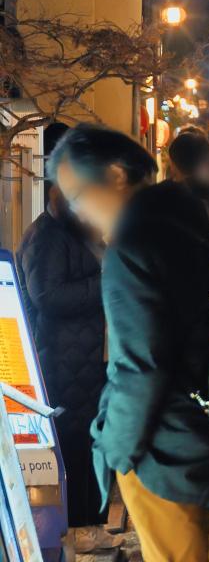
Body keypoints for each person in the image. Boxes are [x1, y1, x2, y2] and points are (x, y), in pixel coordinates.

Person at [48, 124, 209, 562]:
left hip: (167, 454)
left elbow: (140, 365)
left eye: (79, 195)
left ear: (115, 175)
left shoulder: (132, 242)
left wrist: (115, 449)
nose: (79, 211)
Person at [17, 122, 106, 528]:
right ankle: (80, 532)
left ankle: (90, 528)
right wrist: (105, 282)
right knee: (72, 452)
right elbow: (48, 296)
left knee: (87, 450)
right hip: (62, 365)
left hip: (83, 363)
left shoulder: (73, 230)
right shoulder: (47, 236)